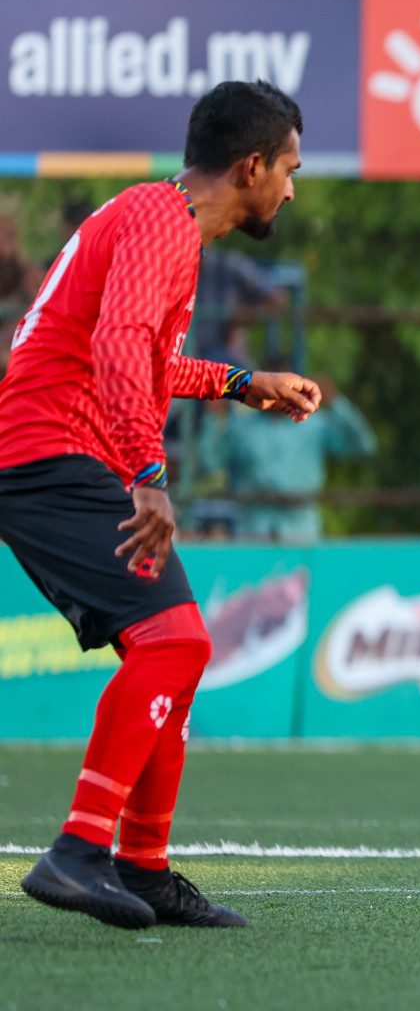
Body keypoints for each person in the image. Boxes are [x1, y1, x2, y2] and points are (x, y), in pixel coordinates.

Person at [0, 80, 319, 930]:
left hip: (59, 451)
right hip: (51, 454)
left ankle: (140, 867)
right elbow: (114, 348)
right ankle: (79, 851)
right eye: (289, 168)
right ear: (251, 165)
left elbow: (139, 359)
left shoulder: (159, 221)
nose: (291, 188)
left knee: (175, 648)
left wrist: (245, 384)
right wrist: (148, 474)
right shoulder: (159, 221)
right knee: (176, 643)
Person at [199, 377, 375, 543]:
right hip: (252, 532)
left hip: (301, 533)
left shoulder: (315, 425)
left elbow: (365, 445)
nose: (277, 392)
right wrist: (212, 419)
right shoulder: (242, 427)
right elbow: (209, 464)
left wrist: (337, 402)